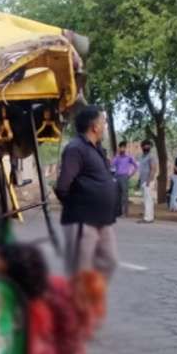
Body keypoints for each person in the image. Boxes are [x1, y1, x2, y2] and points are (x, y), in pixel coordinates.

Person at [55, 105, 118, 280]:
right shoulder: (75, 149)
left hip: (103, 220)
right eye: (103, 122)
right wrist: (78, 208)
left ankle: (91, 298)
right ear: (94, 126)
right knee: (80, 272)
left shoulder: (97, 149)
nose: (105, 126)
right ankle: (78, 304)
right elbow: (62, 187)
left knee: (109, 261)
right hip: (82, 221)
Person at [111, 141, 138, 217]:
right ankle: (118, 212)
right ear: (119, 148)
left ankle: (124, 213)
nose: (122, 149)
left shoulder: (129, 157)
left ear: (125, 148)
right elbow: (111, 165)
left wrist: (130, 175)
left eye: (123, 147)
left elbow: (136, 166)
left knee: (124, 196)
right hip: (116, 177)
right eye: (120, 147)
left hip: (124, 177)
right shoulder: (117, 157)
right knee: (117, 195)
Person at [138, 140, 158, 223]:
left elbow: (153, 169)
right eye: (145, 145)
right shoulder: (142, 156)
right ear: (142, 147)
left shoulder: (151, 156)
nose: (146, 147)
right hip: (143, 180)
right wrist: (139, 180)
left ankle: (147, 218)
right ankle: (149, 217)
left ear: (150, 147)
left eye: (148, 145)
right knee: (147, 200)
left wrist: (149, 181)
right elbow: (142, 169)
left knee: (148, 200)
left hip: (148, 181)